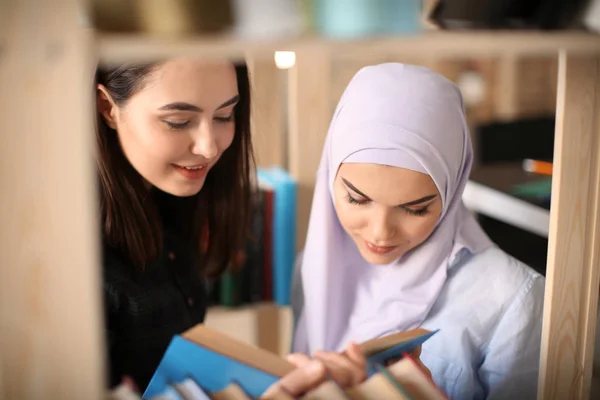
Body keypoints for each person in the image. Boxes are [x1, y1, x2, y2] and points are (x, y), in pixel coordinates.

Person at [96, 58, 367, 398]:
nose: (210, 147)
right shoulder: (77, 266)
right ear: (107, 107)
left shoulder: (172, 204)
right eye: (178, 122)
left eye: (224, 116)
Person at [290, 63, 546, 400]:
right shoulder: (311, 268)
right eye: (356, 199)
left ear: (453, 189)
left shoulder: (513, 299)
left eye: (414, 208)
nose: (380, 233)